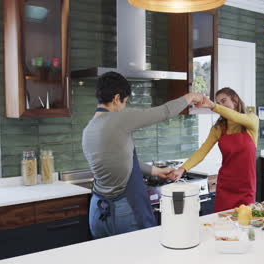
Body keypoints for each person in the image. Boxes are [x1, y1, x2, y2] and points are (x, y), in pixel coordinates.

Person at [82, 72, 203, 239]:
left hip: (98, 212)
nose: (125, 106)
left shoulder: (88, 130)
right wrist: (191, 96)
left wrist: (155, 171)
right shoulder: (119, 117)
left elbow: (120, 162)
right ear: (117, 98)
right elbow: (165, 111)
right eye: (125, 102)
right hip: (124, 211)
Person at [170, 87, 259, 212]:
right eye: (219, 103)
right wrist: (182, 169)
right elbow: (202, 151)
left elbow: (236, 117)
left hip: (246, 187)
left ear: (235, 100)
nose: (221, 105)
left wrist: (213, 106)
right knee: (221, 225)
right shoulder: (218, 128)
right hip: (226, 185)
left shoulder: (251, 121)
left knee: (244, 224)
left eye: (224, 101)